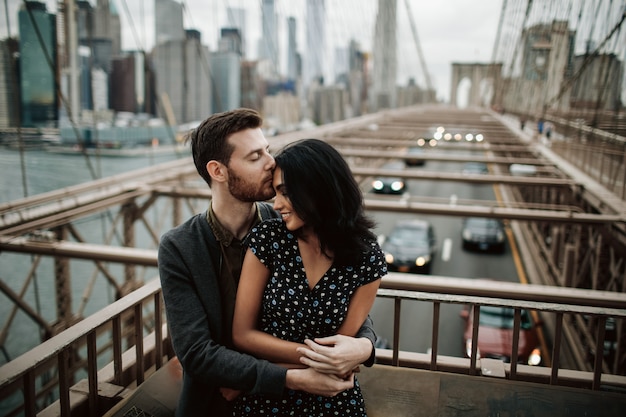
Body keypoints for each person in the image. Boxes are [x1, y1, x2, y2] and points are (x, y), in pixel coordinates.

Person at [157, 109, 378, 417]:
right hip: (213, 404)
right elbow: (196, 354)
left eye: (268, 151)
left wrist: (365, 346)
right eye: (255, 156)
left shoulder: (289, 223)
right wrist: (290, 378)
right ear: (218, 171)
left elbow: (337, 293)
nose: (271, 163)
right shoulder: (180, 247)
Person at [231, 138, 387, 416]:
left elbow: (341, 356)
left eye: (286, 192)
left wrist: (348, 355)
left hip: (332, 397)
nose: (276, 204)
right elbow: (242, 335)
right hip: (269, 396)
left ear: (319, 190)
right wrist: (303, 365)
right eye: (275, 193)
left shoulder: (366, 256)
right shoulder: (268, 240)